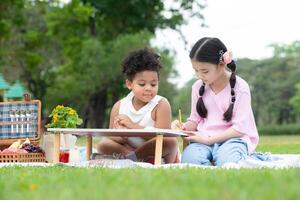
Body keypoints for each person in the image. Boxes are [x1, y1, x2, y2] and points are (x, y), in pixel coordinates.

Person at [173, 37, 259, 166]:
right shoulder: (197, 87)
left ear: (222, 64)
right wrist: (182, 127)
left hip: (234, 140)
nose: (199, 76)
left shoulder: (241, 88)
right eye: (196, 70)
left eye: (205, 71)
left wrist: (209, 140)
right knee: (190, 160)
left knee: (227, 162)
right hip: (203, 140)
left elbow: (240, 129)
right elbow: (195, 120)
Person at [96, 48, 178, 163]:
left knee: (170, 141)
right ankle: (135, 158)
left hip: (155, 149)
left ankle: (132, 159)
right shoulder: (119, 106)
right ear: (129, 84)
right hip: (128, 149)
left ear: (158, 83)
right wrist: (121, 136)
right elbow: (112, 136)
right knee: (103, 144)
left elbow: (162, 136)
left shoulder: (161, 104)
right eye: (142, 84)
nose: (148, 88)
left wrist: (132, 126)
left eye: (153, 84)